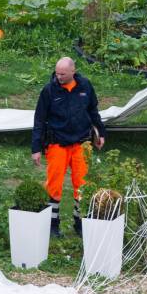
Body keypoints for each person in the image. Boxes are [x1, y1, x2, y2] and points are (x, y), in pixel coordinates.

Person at [31, 57, 106, 238]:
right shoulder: (49, 91)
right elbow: (39, 119)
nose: (59, 77)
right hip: (57, 143)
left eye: (63, 74)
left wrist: (101, 133)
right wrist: (36, 148)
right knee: (54, 184)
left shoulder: (85, 86)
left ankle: (79, 223)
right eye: (57, 73)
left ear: (73, 71)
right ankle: (52, 224)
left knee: (82, 183)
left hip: (81, 142)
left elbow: (93, 111)